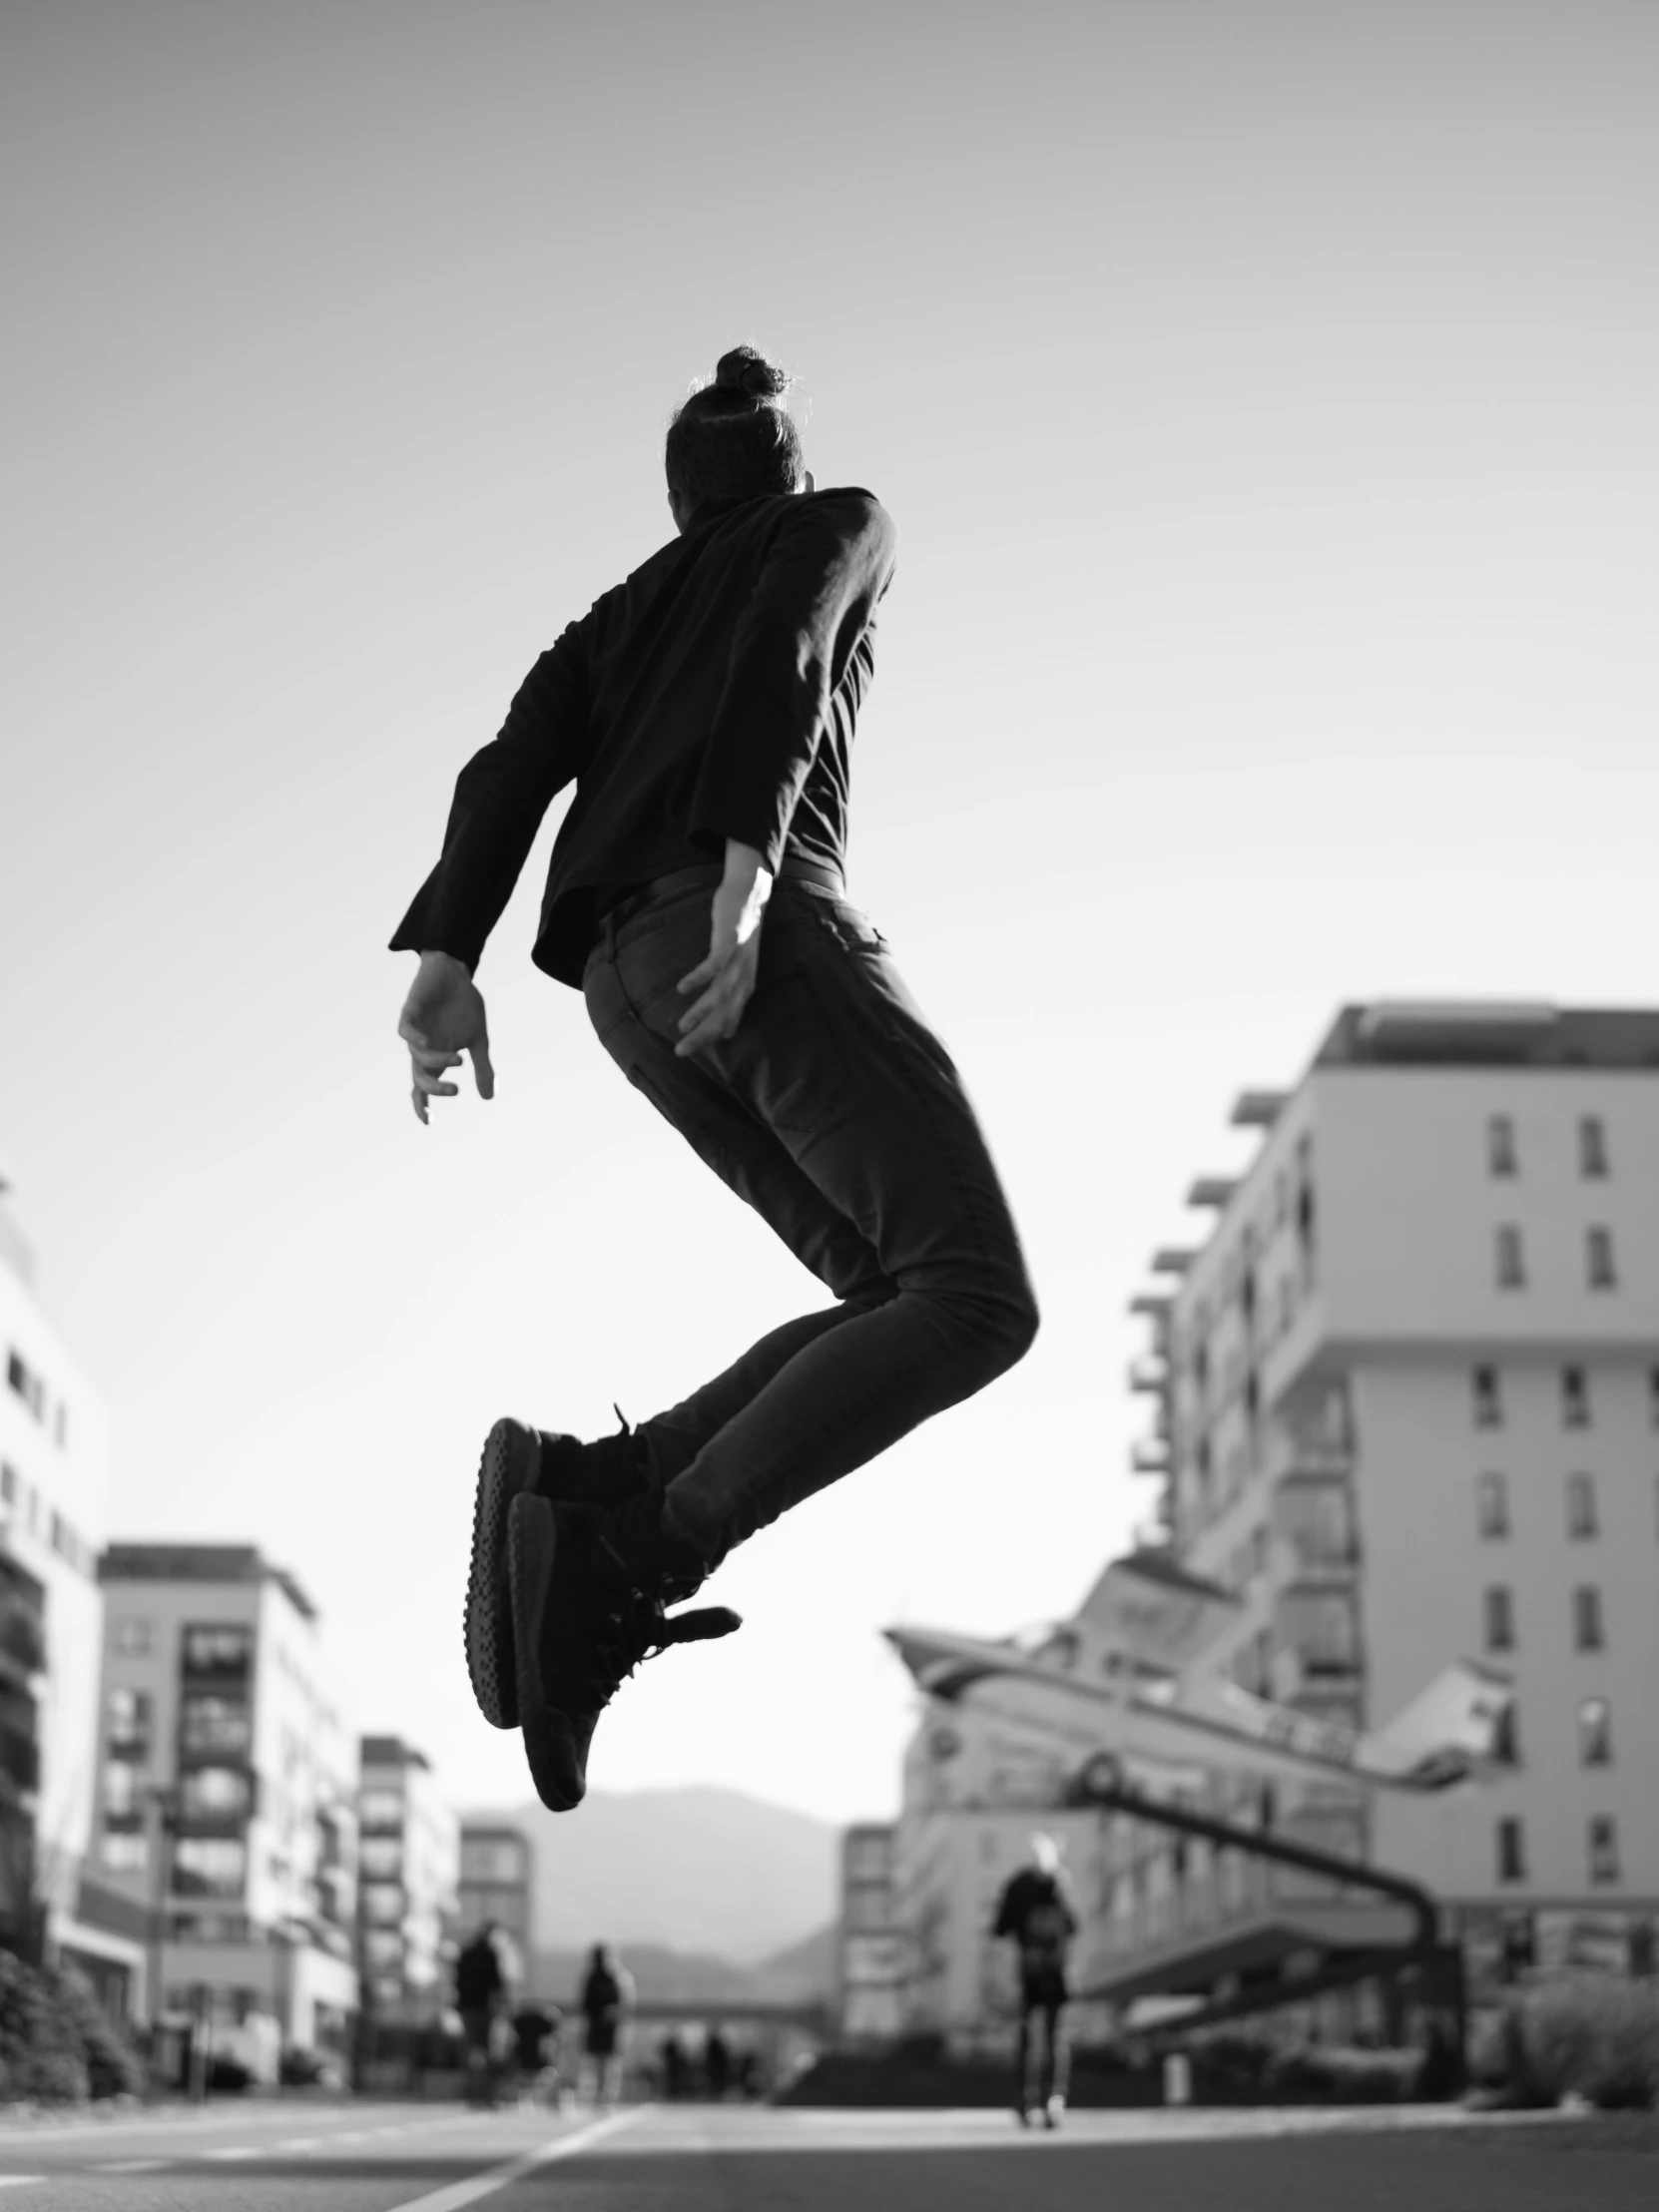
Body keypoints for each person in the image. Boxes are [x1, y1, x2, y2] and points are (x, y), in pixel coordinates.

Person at [392, 344, 1040, 1811]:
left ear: (680, 498)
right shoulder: (838, 524)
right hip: (746, 931)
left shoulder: (614, 617)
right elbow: (787, 653)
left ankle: (591, 1495)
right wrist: (751, 883)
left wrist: (446, 958)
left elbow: (506, 767)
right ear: (789, 471)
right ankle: (630, 1555)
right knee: (976, 1299)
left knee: (891, 1296)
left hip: (621, 991)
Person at [993, 1833, 1078, 2128]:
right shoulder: (1058, 1884)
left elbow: (1000, 1928)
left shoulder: (1021, 1886)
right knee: (1053, 2038)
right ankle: (1050, 2103)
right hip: (1051, 1971)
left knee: (1033, 2038)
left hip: (1035, 1972)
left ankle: (1032, 2103)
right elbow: (1072, 1927)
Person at [453, 1921, 506, 2107]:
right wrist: (501, 2005)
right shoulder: (490, 1954)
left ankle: (471, 2091)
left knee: (472, 2049)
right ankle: (485, 2093)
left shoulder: (466, 1953)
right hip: (483, 2009)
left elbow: (457, 1981)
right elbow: (497, 1984)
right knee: (485, 2050)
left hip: (468, 2007)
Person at [578, 1941, 633, 2110]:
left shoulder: (618, 1977)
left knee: (610, 2063)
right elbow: (585, 2004)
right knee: (596, 2063)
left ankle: (607, 2095)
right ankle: (595, 2094)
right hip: (596, 2026)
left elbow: (626, 2003)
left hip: (612, 2027)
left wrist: (614, 2012)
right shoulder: (592, 1977)